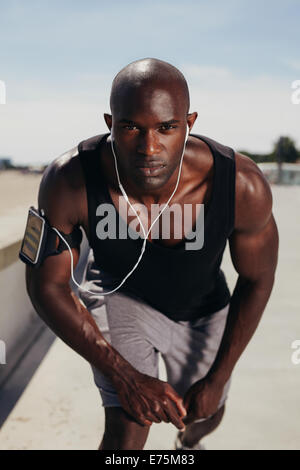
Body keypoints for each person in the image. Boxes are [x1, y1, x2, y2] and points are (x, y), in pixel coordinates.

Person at [25, 58, 279, 450]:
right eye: (130, 128)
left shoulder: (241, 186)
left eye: (166, 128)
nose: (149, 147)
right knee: (129, 426)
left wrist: (218, 377)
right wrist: (125, 377)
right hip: (122, 298)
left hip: (204, 309)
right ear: (110, 123)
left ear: (189, 123)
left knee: (205, 415)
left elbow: (258, 278)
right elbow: (47, 286)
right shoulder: (68, 180)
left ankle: (188, 445)